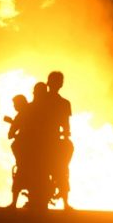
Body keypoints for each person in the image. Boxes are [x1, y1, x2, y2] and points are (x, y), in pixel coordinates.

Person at [45, 71, 73, 210]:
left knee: (62, 170)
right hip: (48, 140)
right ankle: (65, 203)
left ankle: (65, 202)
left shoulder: (62, 103)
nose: (58, 84)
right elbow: (66, 125)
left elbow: (66, 124)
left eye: (59, 81)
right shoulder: (63, 103)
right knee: (61, 170)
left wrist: (66, 134)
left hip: (49, 140)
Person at [7, 94, 30, 208]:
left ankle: (14, 203)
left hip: (27, 152)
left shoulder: (23, 114)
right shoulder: (30, 112)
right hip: (27, 152)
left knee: (20, 174)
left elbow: (11, 134)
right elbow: (11, 133)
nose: (14, 106)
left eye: (15, 104)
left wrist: (12, 124)